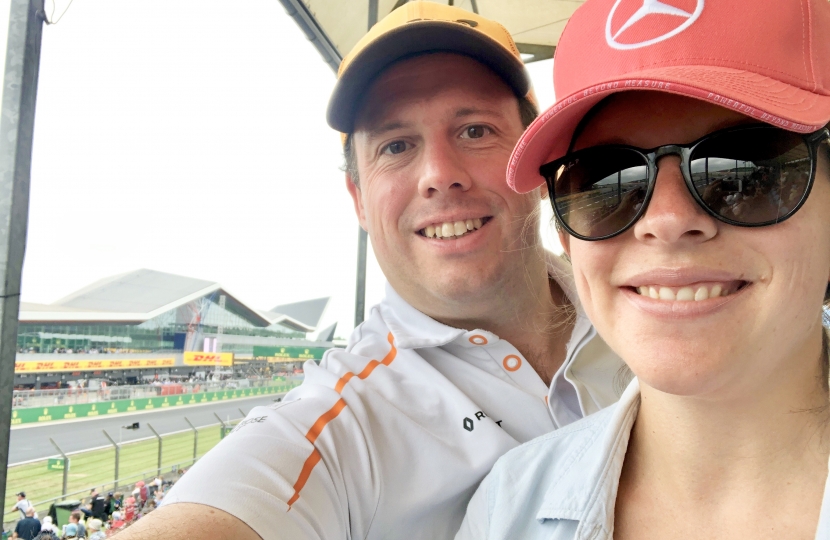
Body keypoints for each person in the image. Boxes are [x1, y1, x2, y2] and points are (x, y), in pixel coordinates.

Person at [115, 2, 624, 539]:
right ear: (358, 197)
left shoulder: (657, 299)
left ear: (537, 164)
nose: (439, 175)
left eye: (475, 131)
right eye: (396, 145)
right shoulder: (339, 427)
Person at [456, 0, 830, 538]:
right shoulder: (508, 507)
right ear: (565, 234)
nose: (668, 220)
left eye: (747, 167)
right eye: (608, 179)